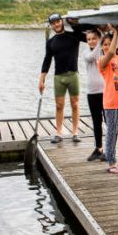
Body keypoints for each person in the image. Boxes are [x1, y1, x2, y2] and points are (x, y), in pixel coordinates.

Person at [39, 13, 88, 143]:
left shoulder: (73, 36)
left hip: (73, 75)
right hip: (58, 77)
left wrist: (73, 23)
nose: (56, 24)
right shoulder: (51, 42)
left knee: (75, 104)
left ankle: (75, 133)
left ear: (62, 22)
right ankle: (59, 133)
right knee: (59, 106)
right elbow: (47, 60)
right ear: (51, 25)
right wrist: (41, 80)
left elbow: (87, 38)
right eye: (54, 23)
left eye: (58, 21)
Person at [98, 25, 118, 174]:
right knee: (112, 132)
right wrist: (116, 32)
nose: (107, 46)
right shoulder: (102, 61)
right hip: (110, 102)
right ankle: (111, 161)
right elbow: (112, 51)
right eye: (104, 44)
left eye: (109, 43)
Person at [82, 29, 105, 161]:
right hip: (92, 93)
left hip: (105, 92)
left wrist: (103, 40)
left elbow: (115, 50)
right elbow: (92, 57)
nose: (91, 41)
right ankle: (98, 149)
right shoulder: (86, 52)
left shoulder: (103, 51)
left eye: (94, 38)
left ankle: (109, 149)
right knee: (97, 122)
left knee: (109, 121)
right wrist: (100, 41)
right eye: (89, 39)